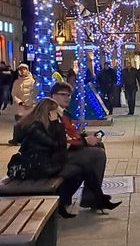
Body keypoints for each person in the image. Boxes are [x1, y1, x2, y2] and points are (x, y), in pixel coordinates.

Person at [9, 97, 121, 219]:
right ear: (49, 113)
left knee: (85, 167)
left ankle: (97, 200)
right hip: (39, 168)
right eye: (56, 113)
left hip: (47, 164)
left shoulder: (42, 125)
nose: (59, 115)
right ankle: (94, 200)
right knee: (85, 166)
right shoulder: (35, 128)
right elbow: (57, 145)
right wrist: (57, 124)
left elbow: (59, 145)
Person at [50, 81, 108, 209]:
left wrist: (85, 138)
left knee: (98, 147)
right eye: (63, 95)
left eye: (69, 95)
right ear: (53, 96)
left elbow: (69, 136)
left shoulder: (62, 112)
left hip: (62, 153)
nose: (67, 98)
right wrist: (85, 141)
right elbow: (59, 141)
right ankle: (90, 198)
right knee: (97, 155)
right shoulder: (51, 113)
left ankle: (91, 197)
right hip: (53, 158)